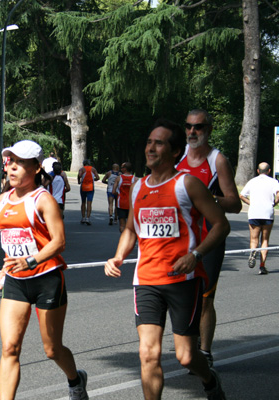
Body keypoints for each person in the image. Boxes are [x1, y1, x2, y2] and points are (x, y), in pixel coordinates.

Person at [104, 118, 229, 400]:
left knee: (186, 356)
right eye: (149, 142)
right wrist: (118, 257)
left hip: (182, 280)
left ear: (175, 152)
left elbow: (221, 224)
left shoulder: (188, 185)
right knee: (148, 354)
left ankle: (209, 380)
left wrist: (195, 255)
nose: (151, 148)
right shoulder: (137, 187)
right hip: (146, 280)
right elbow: (131, 230)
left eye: (159, 143)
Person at [0, 140, 88, 400]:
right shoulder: (3, 199)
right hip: (16, 280)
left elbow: (59, 241)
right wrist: (6, 266)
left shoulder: (43, 199)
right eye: (10, 161)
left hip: (47, 278)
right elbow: (11, 238)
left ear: (36, 168)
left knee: (52, 349)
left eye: (20, 163)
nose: (12, 168)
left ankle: (75, 380)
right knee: (9, 347)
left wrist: (31, 260)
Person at [176, 108, 241, 367]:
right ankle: (187, 346)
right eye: (189, 126)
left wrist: (207, 198)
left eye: (199, 127)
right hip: (179, 239)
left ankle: (204, 351)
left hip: (209, 239)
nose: (193, 132)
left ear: (209, 130)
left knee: (205, 298)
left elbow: (235, 203)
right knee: (179, 295)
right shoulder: (176, 156)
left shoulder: (217, 161)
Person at [239, 162, 279, 275]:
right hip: (267, 212)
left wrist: (250, 203)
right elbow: (278, 194)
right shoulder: (274, 182)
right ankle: (262, 266)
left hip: (254, 212)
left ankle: (253, 252)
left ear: (257, 171)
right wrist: (274, 203)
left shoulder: (252, 181)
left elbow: (241, 195)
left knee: (253, 238)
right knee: (265, 240)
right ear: (269, 171)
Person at [113, 162, 136, 233]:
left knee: (122, 225)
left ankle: (123, 239)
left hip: (121, 204)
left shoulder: (119, 178)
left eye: (122, 167)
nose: (121, 169)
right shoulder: (135, 179)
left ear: (125, 169)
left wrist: (120, 194)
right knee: (130, 225)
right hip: (131, 205)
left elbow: (113, 191)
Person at [77, 159, 99, 225]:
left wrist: (79, 181)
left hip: (83, 187)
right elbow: (98, 177)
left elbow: (79, 175)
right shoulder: (93, 169)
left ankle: (83, 218)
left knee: (83, 202)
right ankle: (88, 218)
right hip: (91, 187)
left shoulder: (82, 169)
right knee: (89, 203)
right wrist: (93, 179)